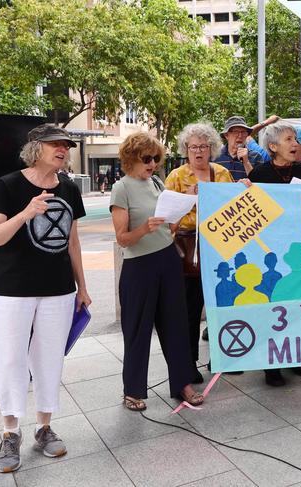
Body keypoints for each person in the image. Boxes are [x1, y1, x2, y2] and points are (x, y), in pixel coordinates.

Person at [0, 124, 91, 473]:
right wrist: (26, 213)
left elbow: (73, 242)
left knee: (49, 358)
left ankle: (44, 427)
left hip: (59, 289)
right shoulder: (9, 185)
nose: (63, 149)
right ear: (36, 148)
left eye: (66, 145)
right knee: (8, 359)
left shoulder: (69, 188)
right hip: (13, 288)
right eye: (55, 144)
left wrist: (83, 287)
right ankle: (10, 431)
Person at [110, 132, 204, 412]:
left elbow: (169, 227)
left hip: (167, 259)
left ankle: (183, 384)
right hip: (139, 265)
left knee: (175, 325)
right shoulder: (121, 188)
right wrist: (144, 228)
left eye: (155, 158)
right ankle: (133, 390)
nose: (152, 163)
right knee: (138, 329)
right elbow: (122, 238)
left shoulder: (157, 183)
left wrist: (183, 204)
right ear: (130, 159)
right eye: (146, 158)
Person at [164, 122, 239, 382]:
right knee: (190, 308)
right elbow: (167, 219)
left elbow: (235, 207)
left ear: (212, 149)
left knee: (222, 303)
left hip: (220, 245)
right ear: (185, 149)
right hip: (188, 247)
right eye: (193, 146)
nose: (198, 152)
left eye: (203, 146)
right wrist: (187, 197)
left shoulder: (222, 173)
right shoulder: (176, 176)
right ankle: (189, 363)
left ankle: (223, 358)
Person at [248, 121, 301, 385]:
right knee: (273, 306)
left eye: (295, 140)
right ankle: (271, 365)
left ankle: (297, 357)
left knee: (299, 305)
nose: (295, 144)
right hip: (271, 250)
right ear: (273, 146)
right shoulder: (259, 175)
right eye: (289, 140)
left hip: (297, 249)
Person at [214, 116, 264, 180]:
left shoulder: (256, 157)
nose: (240, 136)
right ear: (226, 135)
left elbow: (260, 184)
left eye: (243, 132)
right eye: (235, 132)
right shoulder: (215, 156)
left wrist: (246, 162)